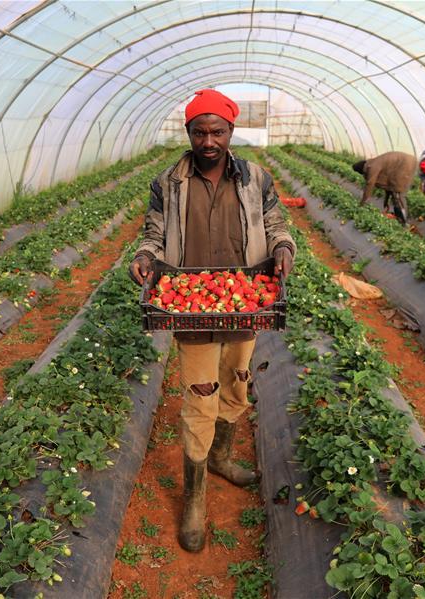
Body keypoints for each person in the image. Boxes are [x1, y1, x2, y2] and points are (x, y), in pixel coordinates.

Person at [128, 89, 295, 553]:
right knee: (201, 396)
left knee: (237, 383)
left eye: (217, 131)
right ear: (188, 133)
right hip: (192, 305)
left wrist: (282, 249)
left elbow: (278, 224)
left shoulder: (256, 178)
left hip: (245, 302)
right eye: (199, 131)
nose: (208, 141)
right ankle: (195, 498)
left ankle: (221, 457)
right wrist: (144, 257)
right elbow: (154, 233)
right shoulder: (170, 182)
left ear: (230, 132)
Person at [351, 151, 417, 225]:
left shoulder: (372, 167)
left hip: (405, 163)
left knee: (398, 195)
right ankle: (400, 219)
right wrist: (386, 202)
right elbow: (388, 187)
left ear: (362, 169)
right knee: (395, 193)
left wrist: (363, 203)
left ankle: (404, 222)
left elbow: (370, 184)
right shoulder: (373, 162)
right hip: (406, 163)